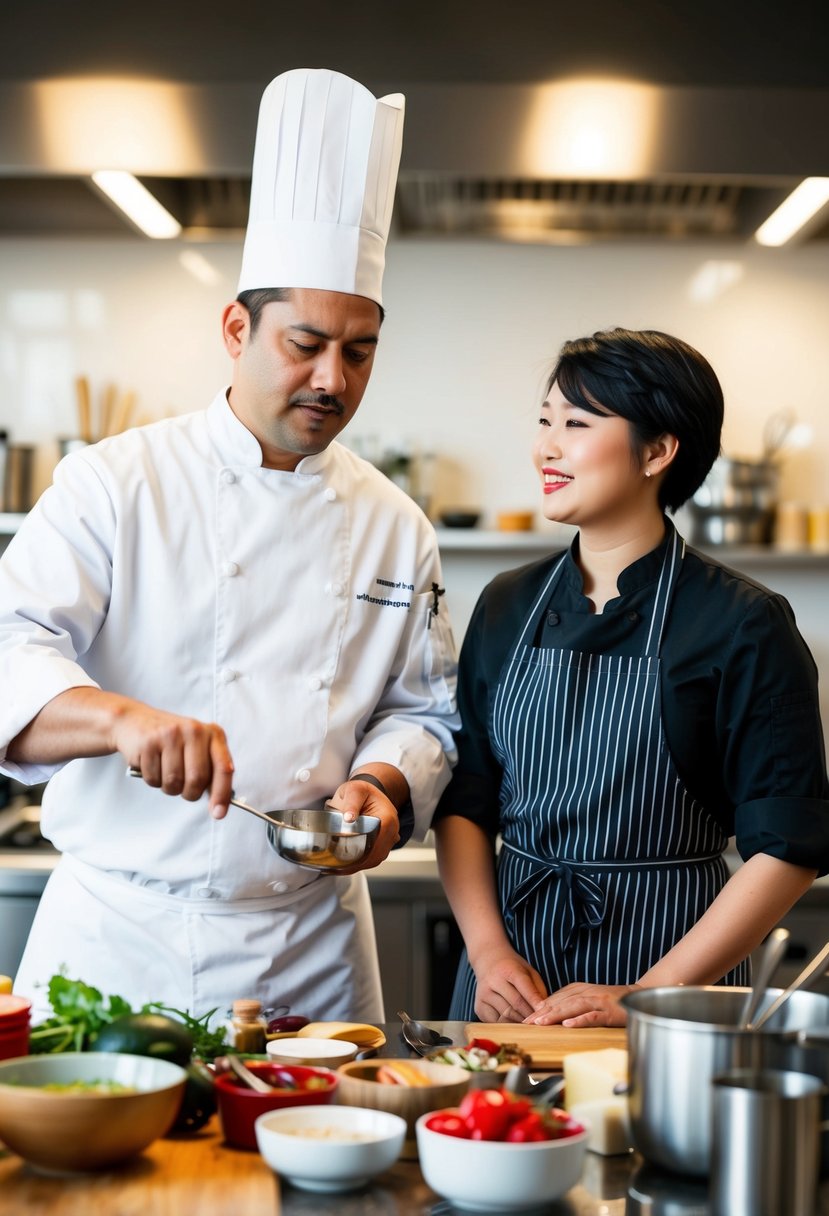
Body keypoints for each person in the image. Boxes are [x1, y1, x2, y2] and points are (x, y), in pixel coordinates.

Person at [0, 68, 458, 1023]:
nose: (332, 379)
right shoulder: (115, 482)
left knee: (324, 1170)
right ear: (236, 328)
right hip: (118, 942)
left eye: (360, 349)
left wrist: (381, 781)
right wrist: (121, 719)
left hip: (312, 947)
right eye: (305, 343)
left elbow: (425, 710)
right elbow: (9, 654)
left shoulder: (393, 522)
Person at [433, 326, 829, 1028]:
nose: (546, 447)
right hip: (508, 989)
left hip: (670, 989)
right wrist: (488, 952)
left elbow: (788, 843)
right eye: (545, 421)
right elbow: (466, 801)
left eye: (577, 424)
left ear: (657, 450)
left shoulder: (743, 622)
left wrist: (645, 995)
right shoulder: (506, 603)